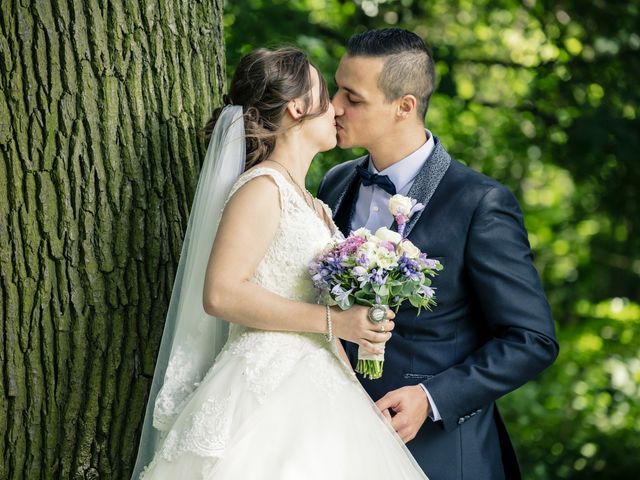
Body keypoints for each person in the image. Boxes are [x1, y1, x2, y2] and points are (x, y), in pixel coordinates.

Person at [131, 47, 429, 479]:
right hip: (263, 388)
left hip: (325, 388)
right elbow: (222, 293)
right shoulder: (262, 187)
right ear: (297, 107)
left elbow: (330, 320)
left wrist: (358, 338)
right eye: (326, 96)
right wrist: (335, 321)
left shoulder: (317, 206)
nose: (336, 109)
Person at [317, 28, 559, 480]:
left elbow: (532, 340)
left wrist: (430, 399)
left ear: (404, 106)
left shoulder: (480, 203)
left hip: (439, 454)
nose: (333, 106)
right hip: (337, 439)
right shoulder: (335, 182)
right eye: (337, 88)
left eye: (353, 97)